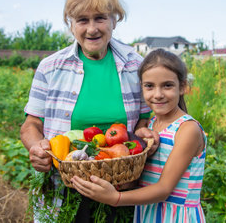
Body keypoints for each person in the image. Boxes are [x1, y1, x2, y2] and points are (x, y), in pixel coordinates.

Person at [20, 0, 159, 222]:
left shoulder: (137, 65)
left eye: (100, 18)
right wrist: (36, 147)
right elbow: (31, 124)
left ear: (114, 21)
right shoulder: (51, 67)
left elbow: (146, 119)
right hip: (64, 189)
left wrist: (145, 133)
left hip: (122, 188)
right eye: (82, 20)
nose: (92, 29)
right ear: (71, 25)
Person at [71, 49, 207, 222]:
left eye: (167, 85)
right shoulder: (151, 125)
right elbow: (148, 177)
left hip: (176, 217)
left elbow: (164, 188)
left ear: (183, 87)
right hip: (148, 214)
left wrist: (115, 198)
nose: (158, 94)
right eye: (149, 86)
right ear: (141, 87)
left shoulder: (187, 129)